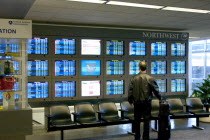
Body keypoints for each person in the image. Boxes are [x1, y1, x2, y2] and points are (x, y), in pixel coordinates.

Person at [128, 61, 162, 140]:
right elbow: (155, 90)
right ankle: (146, 137)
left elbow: (130, 90)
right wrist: (160, 98)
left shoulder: (134, 78)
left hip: (137, 102)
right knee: (146, 120)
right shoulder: (150, 78)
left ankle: (137, 137)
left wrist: (130, 100)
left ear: (139, 68)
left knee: (137, 120)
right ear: (146, 68)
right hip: (147, 102)